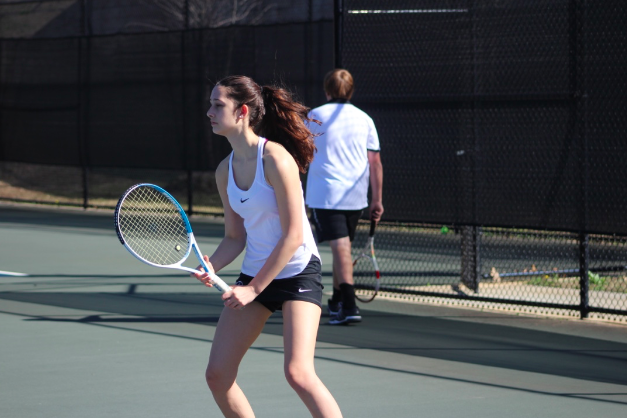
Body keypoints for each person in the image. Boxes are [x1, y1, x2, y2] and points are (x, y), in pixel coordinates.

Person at [193, 75, 343, 418]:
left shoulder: (276, 159)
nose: (209, 112)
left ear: (242, 111)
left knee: (298, 374)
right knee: (217, 376)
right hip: (255, 276)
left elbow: (293, 235)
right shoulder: (223, 171)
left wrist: (252, 289)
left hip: (297, 272)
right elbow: (236, 236)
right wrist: (213, 265)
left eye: (218, 105)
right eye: (210, 104)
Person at [305, 69, 384, 325]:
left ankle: (350, 307)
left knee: (341, 248)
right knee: (343, 248)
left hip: (325, 195)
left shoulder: (315, 116)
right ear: (351, 91)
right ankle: (338, 300)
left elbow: (302, 151)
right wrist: (376, 200)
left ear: (327, 91)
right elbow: (376, 163)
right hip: (356, 197)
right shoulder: (365, 119)